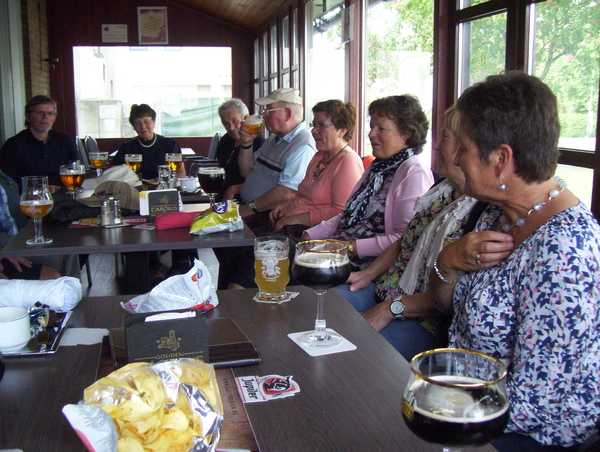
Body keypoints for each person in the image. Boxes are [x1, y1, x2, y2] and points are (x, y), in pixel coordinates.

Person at [429, 71, 600, 451]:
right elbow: (447, 306)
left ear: (502, 158)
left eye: (465, 149)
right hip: (462, 396)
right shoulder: (496, 212)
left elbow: (538, 401)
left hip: (523, 432)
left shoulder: (564, 249)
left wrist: (438, 410)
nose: (454, 157)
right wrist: (448, 260)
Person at [334, 105, 487, 360]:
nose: (437, 146)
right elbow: (406, 239)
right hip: (385, 291)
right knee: (327, 308)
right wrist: (367, 274)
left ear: (467, 146)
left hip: (423, 318)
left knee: (360, 356)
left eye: (446, 137)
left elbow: (457, 295)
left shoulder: (482, 210)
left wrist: (390, 308)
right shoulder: (442, 191)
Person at [219, 99, 365, 290]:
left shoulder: (346, 162)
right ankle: (224, 301)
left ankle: (235, 300)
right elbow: (303, 193)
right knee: (235, 247)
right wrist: (287, 207)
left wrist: (297, 218)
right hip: (288, 223)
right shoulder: (320, 156)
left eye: (321, 125)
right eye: (314, 124)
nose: (314, 130)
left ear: (342, 130)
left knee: (259, 252)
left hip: (314, 236)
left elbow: (341, 212)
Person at [302, 94, 434, 270]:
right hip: (340, 254)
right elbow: (347, 215)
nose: (371, 134)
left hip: (367, 268)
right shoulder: (378, 167)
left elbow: (404, 238)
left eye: (381, 129)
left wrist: (345, 248)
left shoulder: (414, 172)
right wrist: (310, 234)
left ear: (406, 135)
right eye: (371, 127)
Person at [222, 88, 316, 218]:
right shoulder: (273, 138)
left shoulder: (303, 146)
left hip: (267, 216)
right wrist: (247, 143)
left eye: (268, 111)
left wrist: (248, 209)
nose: (264, 116)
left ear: (288, 114)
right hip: (250, 208)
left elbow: (287, 193)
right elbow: (246, 172)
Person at [0, 169, 72, 280]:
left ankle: (74, 288)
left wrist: (30, 195)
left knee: (66, 240)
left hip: (20, 228)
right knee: (52, 254)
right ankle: (57, 290)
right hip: (6, 238)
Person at [0, 95, 78, 190]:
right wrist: (36, 190)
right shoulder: (13, 145)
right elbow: (7, 183)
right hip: (30, 200)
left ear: (54, 118)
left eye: (50, 113)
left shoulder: (65, 141)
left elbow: (76, 170)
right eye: (40, 112)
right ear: (28, 117)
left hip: (65, 197)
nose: (45, 117)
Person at [112, 104, 186, 181]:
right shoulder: (126, 147)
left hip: (163, 188)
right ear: (133, 127)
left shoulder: (169, 144)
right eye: (138, 123)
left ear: (154, 122)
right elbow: (116, 173)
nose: (143, 126)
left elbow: (180, 172)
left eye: (146, 122)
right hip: (135, 189)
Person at [214, 98, 265, 202]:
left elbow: (262, 181)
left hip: (244, 200)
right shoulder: (225, 140)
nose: (231, 127)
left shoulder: (259, 143)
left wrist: (232, 190)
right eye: (226, 123)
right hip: (221, 197)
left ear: (246, 118)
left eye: (234, 121)